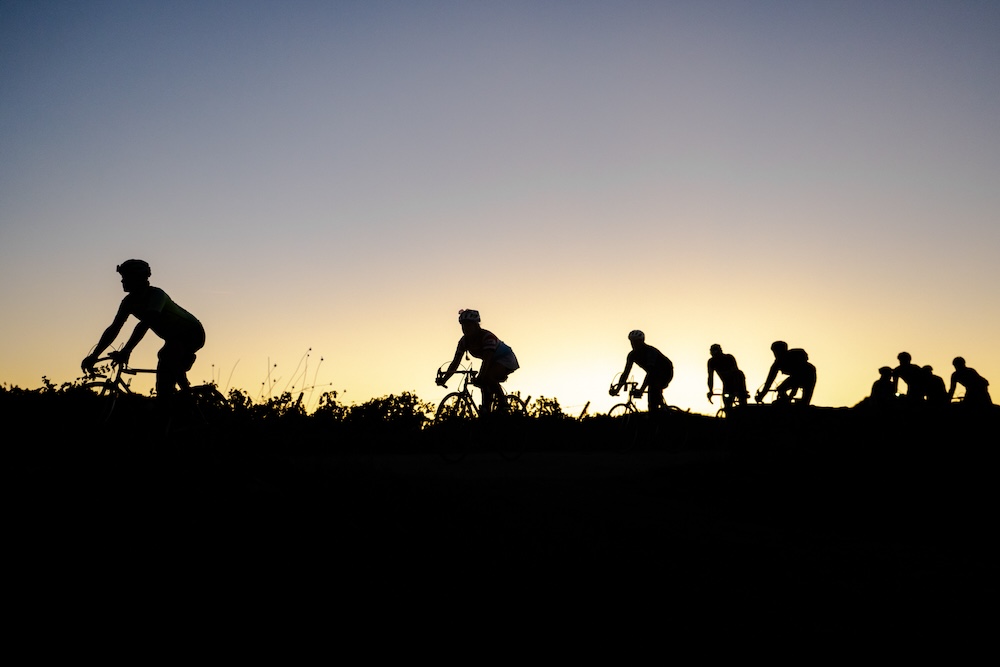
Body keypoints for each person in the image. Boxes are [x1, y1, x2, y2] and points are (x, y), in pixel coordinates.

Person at [81, 260, 205, 399]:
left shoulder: (157, 295)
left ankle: (185, 397)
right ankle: (182, 394)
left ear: (136, 278)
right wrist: (94, 355)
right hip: (172, 337)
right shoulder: (128, 301)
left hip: (192, 332)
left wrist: (127, 350)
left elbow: (145, 324)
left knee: (166, 359)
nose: (122, 281)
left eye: (125, 277)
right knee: (165, 378)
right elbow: (114, 328)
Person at [436, 309, 519, 417]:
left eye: (468, 325)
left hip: (505, 358)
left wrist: (481, 376)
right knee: (482, 382)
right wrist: (444, 379)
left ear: (476, 325)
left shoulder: (487, 337)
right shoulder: (463, 341)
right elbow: (455, 363)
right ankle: (486, 410)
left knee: (487, 377)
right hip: (492, 361)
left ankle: (503, 404)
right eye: (463, 326)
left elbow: (487, 360)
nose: (465, 329)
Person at [610, 330, 674, 412]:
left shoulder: (650, 352)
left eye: (636, 342)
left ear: (642, 341)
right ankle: (659, 409)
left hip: (665, 371)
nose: (633, 344)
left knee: (653, 394)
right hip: (653, 373)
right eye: (632, 342)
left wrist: (641, 389)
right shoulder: (632, 355)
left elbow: (651, 373)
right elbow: (626, 373)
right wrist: (617, 389)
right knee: (653, 390)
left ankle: (659, 415)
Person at [755, 340, 816, 405]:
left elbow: (798, 376)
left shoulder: (792, 357)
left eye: (776, 351)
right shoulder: (777, 364)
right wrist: (762, 395)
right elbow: (769, 382)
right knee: (781, 389)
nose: (775, 354)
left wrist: (793, 392)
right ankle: (785, 402)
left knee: (804, 402)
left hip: (809, 375)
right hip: (799, 376)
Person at [706, 343, 748, 410]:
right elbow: (710, 378)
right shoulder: (711, 362)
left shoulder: (729, 358)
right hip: (727, 384)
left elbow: (735, 372)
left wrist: (738, 390)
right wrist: (710, 390)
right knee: (727, 405)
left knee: (742, 401)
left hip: (738, 380)